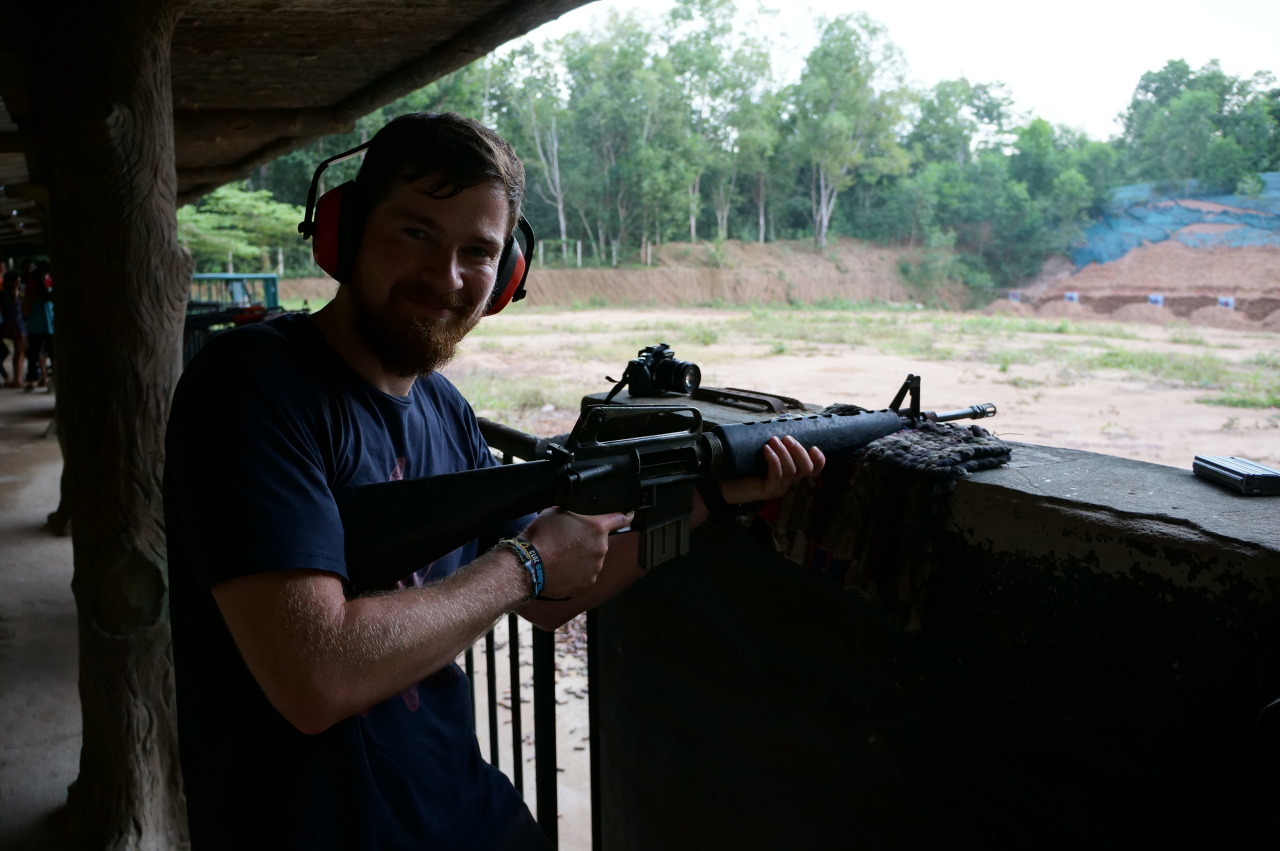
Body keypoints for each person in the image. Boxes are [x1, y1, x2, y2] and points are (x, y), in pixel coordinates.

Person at [163, 112, 824, 850]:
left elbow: (548, 598)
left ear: (506, 276)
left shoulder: (445, 407)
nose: (446, 277)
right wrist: (527, 562)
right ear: (345, 235)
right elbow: (317, 677)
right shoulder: (250, 384)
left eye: (476, 251)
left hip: (465, 809)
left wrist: (708, 504)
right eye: (415, 233)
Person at [22, 262, 53, 391]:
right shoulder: (49, 291)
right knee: (52, 354)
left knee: (33, 355)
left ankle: (32, 380)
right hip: (49, 327)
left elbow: (26, 312)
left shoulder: (31, 292)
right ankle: (52, 380)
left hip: (35, 327)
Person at [0, 269, 25, 388]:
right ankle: (17, 378)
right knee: (19, 350)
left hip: (18, 322)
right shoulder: (5, 294)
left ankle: (17, 377)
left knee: (20, 350)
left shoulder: (14, 292)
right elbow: (12, 307)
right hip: (12, 323)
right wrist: (15, 293)